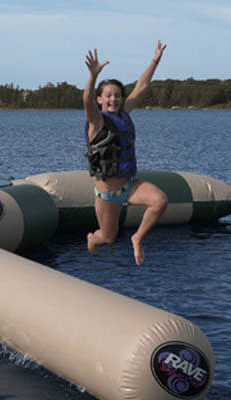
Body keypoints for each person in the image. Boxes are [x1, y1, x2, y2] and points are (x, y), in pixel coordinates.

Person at [83, 41, 169, 266]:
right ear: (100, 99)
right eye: (108, 96)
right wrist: (93, 77)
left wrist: (155, 60)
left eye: (118, 95)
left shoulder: (123, 114)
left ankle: (137, 237)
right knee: (107, 237)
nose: (114, 99)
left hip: (130, 184)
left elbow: (142, 86)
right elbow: (86, 101)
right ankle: (92, 238)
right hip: (108, 194)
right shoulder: (96, 121)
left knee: (159, 201)